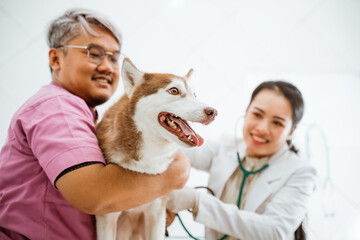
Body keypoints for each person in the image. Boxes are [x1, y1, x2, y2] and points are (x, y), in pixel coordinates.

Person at [0, 8, 190, 240]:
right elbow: (96, 195)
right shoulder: (57, 107)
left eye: (113, 57)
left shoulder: (83, 113)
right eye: (94, 54)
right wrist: (174, 175)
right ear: (55, 58)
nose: (108, 67)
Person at [166, 81, 317, 240]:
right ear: (246, 113)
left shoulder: (301, 172)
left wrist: (196, 201)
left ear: (291, 131)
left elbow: (274, 231)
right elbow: (176, 150)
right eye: (257, 114)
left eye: (277, 123)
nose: (262, 128)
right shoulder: (225, 146)